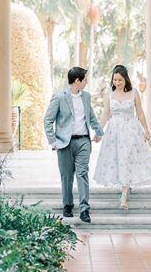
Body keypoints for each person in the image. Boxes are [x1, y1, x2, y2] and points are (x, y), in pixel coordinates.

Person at [93, 64, 151, 210]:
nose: (117, 83)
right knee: (118, 159)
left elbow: (140, 113)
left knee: (126, 159)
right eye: (115, 80)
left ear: (125, 79)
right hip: (114, 132)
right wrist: (99, 132)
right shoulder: (109, 94)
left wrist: (147, 130)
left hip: (131, 131)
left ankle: (124, 196)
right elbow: (105, 114)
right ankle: (125, 187)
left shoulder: (133, 93)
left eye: (119, 80)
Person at [43, 66, 104, 223]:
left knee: (82, 173)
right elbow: (47, 120)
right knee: (67, 176)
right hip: (64, 143)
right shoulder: (59, 97)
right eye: (85, 79)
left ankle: (84, 209)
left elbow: (91, 117)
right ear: (77, 80)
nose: (86, 82)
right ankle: (68, 205)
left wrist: (99, 132)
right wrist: (53, 141)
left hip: (83, 140)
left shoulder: (86, 97)